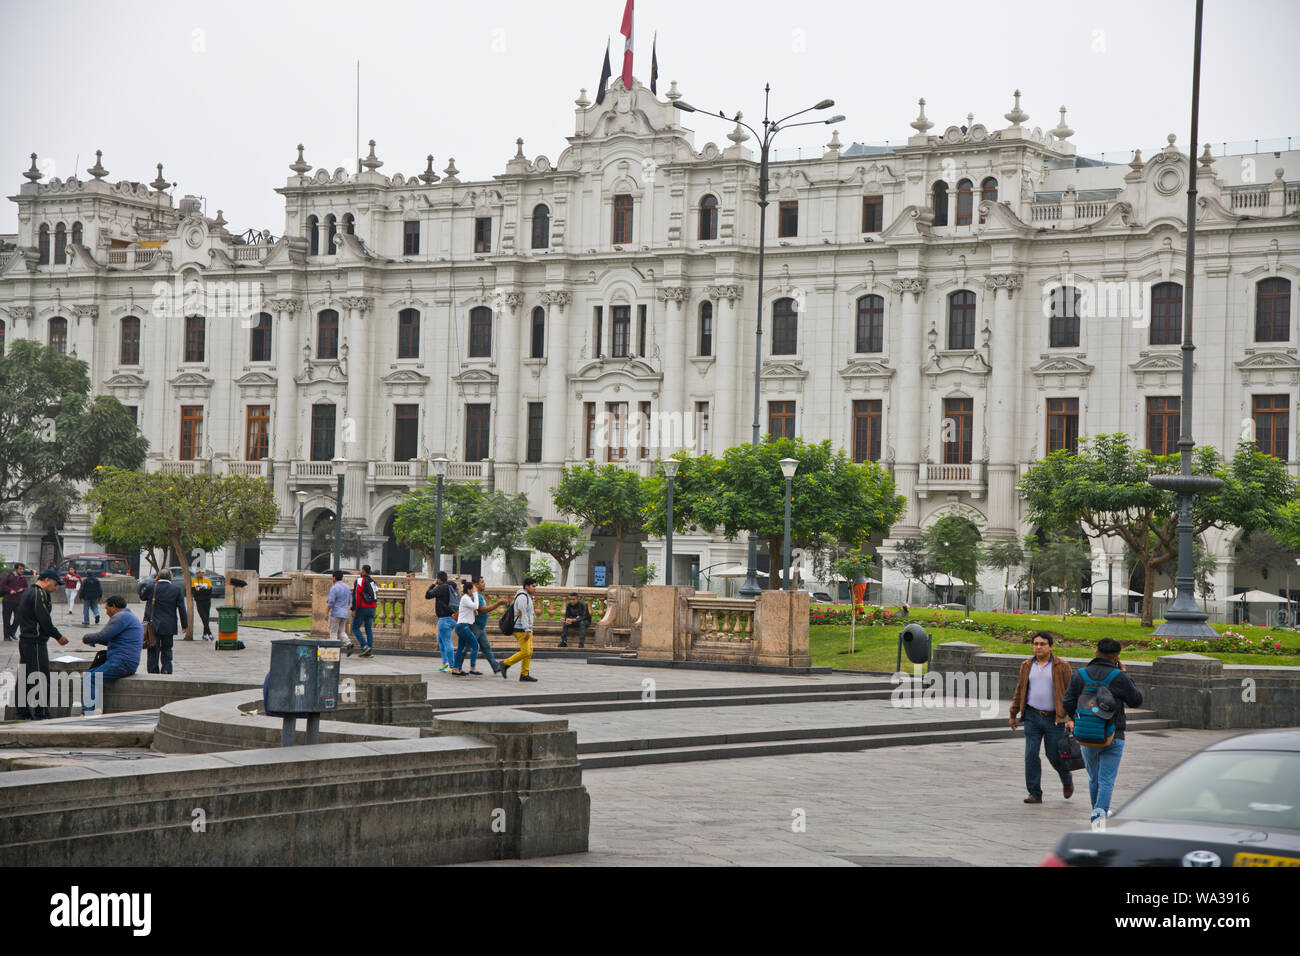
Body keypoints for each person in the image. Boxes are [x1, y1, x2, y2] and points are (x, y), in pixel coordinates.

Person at [1064, 637, 1144, 824]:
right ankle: (1099, 815)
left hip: (1086, 734)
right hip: (1113, 733)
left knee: (1094, 777)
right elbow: (1136, 700)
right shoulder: (1119, 676)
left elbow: (1067, 701)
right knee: (1106, 778)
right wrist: (1126, 675)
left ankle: (1096, 812)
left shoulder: (1080, 675)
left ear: (1096, 653)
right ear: (1117, 657)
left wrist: (1078, 719)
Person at [1009, 630, 1074, 804]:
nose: (1038, 647)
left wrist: (1072, 718)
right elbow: (1019, 690)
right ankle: (1034, 792)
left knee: (1054, 755)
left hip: (1054, 719)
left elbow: (1071, 693)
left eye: (1042, 644)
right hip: (1032, 716)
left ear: (1051, 647)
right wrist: (1013, 713)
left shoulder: (1062, 666)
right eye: (1035, 644)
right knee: (1030, 754)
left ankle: (1066, 779)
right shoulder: (1026, 665)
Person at [16, 571, 69, 719]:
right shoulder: (38, 594)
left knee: (25, 676)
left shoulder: (29, 592)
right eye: (55, 584)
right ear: (46, 580)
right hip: (35, 641)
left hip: (26, 639)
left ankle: (22, 712)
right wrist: (58, 636)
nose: (55, 587)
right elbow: (44, 619)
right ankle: (42, 713)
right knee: (40, 676)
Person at [80, 595, 141, 715]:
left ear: (114, 607)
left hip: (122, 661)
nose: (106, 612)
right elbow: (110, 639)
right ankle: (94, 709)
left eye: (107, 608)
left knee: (92, 679)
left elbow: (103, 635)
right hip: (126, 661)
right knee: (88, 676)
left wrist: (86, 638)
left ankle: (88, 713)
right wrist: (94, 641)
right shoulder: (128, 616)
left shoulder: (120, 617)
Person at [139, 569, 188, 675]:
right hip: (169, 625)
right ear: (170, 578)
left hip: (152, 625)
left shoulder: (152, 587)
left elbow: (142, 596)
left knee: (152, 649)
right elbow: (182, 608)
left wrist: (153, 583)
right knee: (167, 648)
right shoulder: (176, 589)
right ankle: (166, 669)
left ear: (157, 577)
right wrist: (185, 625)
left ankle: (153, 671)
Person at [500, 577, 538, 683]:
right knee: (525, 652)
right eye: (533, 586)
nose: (535, 588)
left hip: (526, 628)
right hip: (521, 629)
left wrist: (529, 628)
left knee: (529, 652)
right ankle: (505, 664)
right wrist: (526, 629)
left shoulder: (527, 596)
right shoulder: (522, 597)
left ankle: (524, 674)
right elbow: (522, 614)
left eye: (535, 586)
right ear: (526, 586)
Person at [471, 575, 509, 675]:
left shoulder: (479, 595)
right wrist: (498, 603)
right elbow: (483, 609)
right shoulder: (476, 596)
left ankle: (495, 666)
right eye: (482, 582)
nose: (484, 584)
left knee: (486, 648)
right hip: (475, 627)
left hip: (480, 627)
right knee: (465, 648)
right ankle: (456, 666)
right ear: (476, 584)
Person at [426, 571, 459, 674]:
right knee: (440, 640)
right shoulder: (451, 587)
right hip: (453, 617)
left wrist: (433, 584)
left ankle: (451, 666)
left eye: (437, 579)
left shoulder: (441, 587)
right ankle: (445, 664)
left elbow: (428, 595)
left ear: (439, 579)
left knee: (447, 642)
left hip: (445, 619)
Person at [450, 579, 483, 676]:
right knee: (476, 646)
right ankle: (472, 668)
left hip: (462, 626)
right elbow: (476, 606)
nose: (474, 591)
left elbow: (473, 609)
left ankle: (456, 668)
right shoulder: (465, 598)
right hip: (463, 626)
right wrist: (476, 594)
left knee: (460, 648)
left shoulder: (466, 598)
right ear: (469, 590)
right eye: (473, 589)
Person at [326, 569, 355, 656]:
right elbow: (349, 601)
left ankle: (333, 651)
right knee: (341, 631)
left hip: (335, 612)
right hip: (344, 613)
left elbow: (331, 602)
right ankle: (348, 643)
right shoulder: (347, 587)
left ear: (334, 577)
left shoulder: (334, 588)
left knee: (333, 631)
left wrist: (326, 613)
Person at [351, 565, 377, 658]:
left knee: (355, 628)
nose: (360, 571)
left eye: (361, 569)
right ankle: (369, 650)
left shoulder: (360, 580)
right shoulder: (373, 582)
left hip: (362, 608)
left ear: (363, 571)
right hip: (372, 608)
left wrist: (354, 608)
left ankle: (364, 646)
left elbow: (356, 595)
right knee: (368, 629)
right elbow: (376, 596)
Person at [2, 562, 29, 640]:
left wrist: (22, 589)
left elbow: (26, 587)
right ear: (16, 569)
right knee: (7, 619)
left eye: (23, 569)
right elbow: (3, 584)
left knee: (19, 618)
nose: (22, 570)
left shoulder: (23, 578)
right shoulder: (9, 576)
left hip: (18, 601)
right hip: (8, 600)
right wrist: (9, 590)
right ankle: (6, 636)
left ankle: (12, 632)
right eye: (20, 569)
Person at [190, 570, 214, 640]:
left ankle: (204, 634)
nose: (201, 574)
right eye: (199, 573)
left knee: (206, 617)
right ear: (196, 574)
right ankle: (209, 633)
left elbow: (209, 591)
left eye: (202, 573)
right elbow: (194, 592)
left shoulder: (207, 580)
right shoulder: (193, 581)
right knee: (203, 617)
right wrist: (204, 589)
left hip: (207, 601)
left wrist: (199, 589)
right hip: (199, 601)